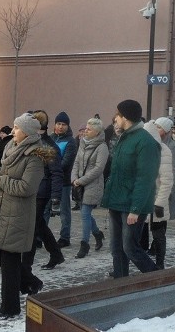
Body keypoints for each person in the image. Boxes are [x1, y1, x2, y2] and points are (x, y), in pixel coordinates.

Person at [0, 113, 51, 320]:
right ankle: (31, 282)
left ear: (27, 132)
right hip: (5, 208)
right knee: (0, 255)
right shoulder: (11, 148)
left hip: (19, 212)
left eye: (17, 128)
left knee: (9, 260)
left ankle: (9, 307)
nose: (13, 131)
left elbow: (27, 187)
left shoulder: (34, 156)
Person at [100, 99, 159, 278]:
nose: (115, 119)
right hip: (117, 201)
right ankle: (121, 281)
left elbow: (145, 179)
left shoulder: (145, 141)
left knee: (130, 247)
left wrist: (136, 209)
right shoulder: (124, 138)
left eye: (117, 115)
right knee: (116, 248)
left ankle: (157, 278)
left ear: (125, 117)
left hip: (132, 205)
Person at [28, 110, 65, 271]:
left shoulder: (48, 145)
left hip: (42, 192)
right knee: (39, 225)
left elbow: (57, 172)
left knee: (33, 226)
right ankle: (56, 254)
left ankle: (26, 263)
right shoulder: (35, 142)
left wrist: (56, 197)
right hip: (33, 190)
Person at [71, 117, 108, 259]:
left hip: (93, 185)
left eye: (89, 129)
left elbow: (98, 169)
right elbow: (76, 162)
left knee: (85, 213)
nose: (85, 131)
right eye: (86, 128)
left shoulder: (102, 147)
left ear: (97, 132)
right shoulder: (82, 143)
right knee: (85, 213)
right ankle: (98, 234)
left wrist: (81, 180)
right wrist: (74, 178)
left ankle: (84, 245)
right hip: (79, 184)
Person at [143, 120, 173, 268]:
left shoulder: (163, 150)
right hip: (141, 200)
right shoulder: (141, 150)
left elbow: (167, 181)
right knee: (137, 235)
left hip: (157, 200)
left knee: (158, 234)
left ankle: (160, 264)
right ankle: (141, 263)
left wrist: (159, 203)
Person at [51, 111, 77, 248]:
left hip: (64, 181)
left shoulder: (70, 141)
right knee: (45, 209)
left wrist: (52, 169)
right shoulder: (51, 138)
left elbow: (66, 163)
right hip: (49, 180)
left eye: (63, 124)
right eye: (58, 124)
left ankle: (65, 237)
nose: (60, 127)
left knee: (64, 211)